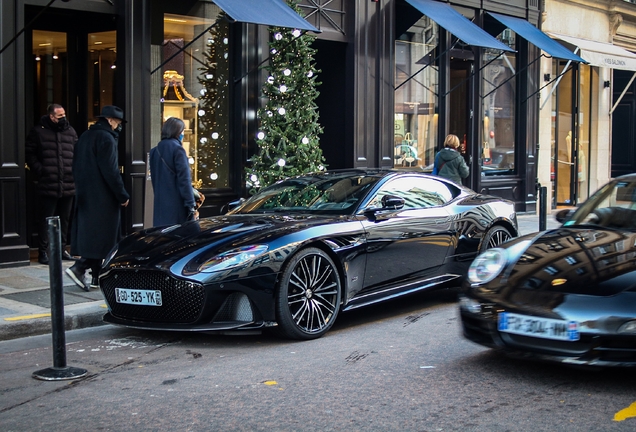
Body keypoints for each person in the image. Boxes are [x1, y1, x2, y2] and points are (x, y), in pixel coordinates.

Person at [65, 106, 130, 292]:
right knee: (104, 238)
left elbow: (75, 165)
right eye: (117, 122)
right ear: (110, 120)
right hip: (103, 197)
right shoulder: (106, 138)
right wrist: (122, 195)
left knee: (95, 235)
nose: (118, 126)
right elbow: (110, 171)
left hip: (85, 194)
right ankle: (80, 267)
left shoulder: (85, 136)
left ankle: (96, 277)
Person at [26, 104, 78, 264]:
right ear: (52, 117)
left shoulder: (70, 132)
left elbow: (77, 153)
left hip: (68, 183)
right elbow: (29, 153)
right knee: (45, 219)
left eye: (64, 115)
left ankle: (62, 250)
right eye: (60, 116)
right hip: (48, 183)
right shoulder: (38, 132)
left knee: (65, 219)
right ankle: (44, 251)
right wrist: (41, 170)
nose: (63, 118)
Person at [149, 117, 197, 226]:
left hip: (160, 208)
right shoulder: (178, 150)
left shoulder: (154, 151)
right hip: (177, 208)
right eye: (183, 131)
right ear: (178, 132)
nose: (183, 134)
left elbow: (154, 179)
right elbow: (184, 180)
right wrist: (191, 205)